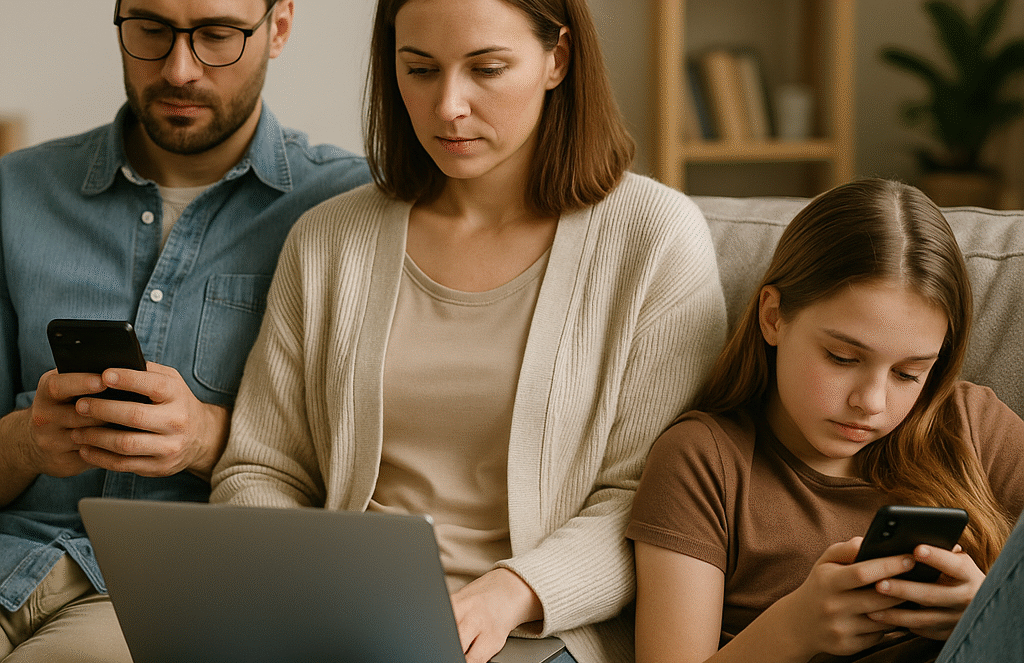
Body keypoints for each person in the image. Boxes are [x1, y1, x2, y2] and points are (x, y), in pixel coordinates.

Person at [209, 0, 727, 662]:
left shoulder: (655, 240)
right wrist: (313, 587)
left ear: (557, 59)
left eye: (486, 68)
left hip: (537, 630)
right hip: (339, 621)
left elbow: (648, 505)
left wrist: (509, 592)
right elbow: (260, 465)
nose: (448, 105)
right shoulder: (328, 240)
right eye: (419, 69)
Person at [0, 0, 370, 660]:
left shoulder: (347, 210)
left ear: (277, 27)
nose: (179, 69)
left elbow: (369, 484)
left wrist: (209, 439)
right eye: (150, 30)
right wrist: (30, 441)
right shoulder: (15, 193)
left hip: (171, 590)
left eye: (217, 36)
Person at [627, 178, 1024, 663]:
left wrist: (989, 610)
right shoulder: (706, 461)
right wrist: (793, 631)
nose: (872, 402)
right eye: (842, 357)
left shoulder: (967, 424)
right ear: (773, 316)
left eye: (908, 373)